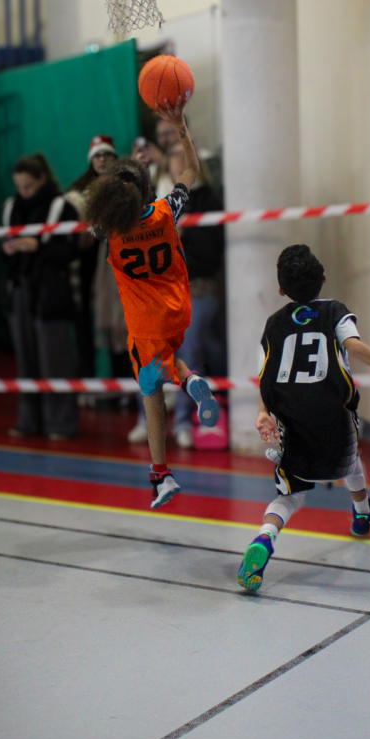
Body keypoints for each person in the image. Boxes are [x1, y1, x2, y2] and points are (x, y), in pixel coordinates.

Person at [237, 244, 370, 593]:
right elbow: (353, 345)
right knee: (351, 462)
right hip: (334, 419)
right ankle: (361, 512)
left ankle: (264, 537)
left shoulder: (273, 324)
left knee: (290, 496)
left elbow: (266, 375)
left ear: (280, 288)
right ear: (323, 277)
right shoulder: (334, 312)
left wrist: (263, 412)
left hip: (292, 423)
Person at [83, 105, 220, 509]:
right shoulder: (165, 211)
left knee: (151, 392)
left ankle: (161, 471)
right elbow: (191, 171)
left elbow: (96, 208)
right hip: (179, 308)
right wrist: (181, 128)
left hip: (145, 321)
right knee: (163, 365)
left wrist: (115, 175)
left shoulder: (109, 231)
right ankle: (187, 385)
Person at [2, 153, 79, 441]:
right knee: (25, 359)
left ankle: (60, 422)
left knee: (54, 359)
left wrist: (38, 247)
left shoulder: (61, 207)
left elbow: (70, 251)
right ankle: (29, 419)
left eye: (29, 186)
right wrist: (8, 250)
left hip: (50, 293)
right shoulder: (11, 207)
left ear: (42, 179)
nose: (24, 192)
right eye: (19, 187)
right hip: (19, 290)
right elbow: (2, 249)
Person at [167, 139, 226, 448]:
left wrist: (184, 236)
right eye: (172, 156)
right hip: (167, 292)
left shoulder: (208, 200)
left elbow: (212, 254)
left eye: (182, 155)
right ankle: (151, 420)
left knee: (190, 356)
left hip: (198, 288)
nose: (177, 161)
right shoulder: (163, 197)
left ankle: (184, 421)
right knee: (153, 357)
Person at [65, 135, 118, 384]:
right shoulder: (77, 192)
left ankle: (120, 384)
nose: (102, 159)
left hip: (115, 265)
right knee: (83, 324)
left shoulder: (124, 186)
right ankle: (87, 382)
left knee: (116, 324)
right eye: (97, 155)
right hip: (85, 264)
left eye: (107, 154)